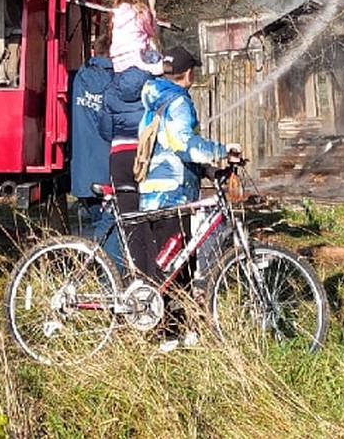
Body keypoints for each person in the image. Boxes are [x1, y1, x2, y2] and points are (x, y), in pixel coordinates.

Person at [138, 45, 240, 350]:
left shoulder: (156, 95)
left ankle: (177, 331)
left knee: (176, 264)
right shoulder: (178, 101)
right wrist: (222, 151)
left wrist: (208, 171)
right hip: (171, 194)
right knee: (174, 268)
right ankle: (167, 336)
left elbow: (168, 144)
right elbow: (183, 144)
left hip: (155, 192)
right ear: (190, 74)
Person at [101, 60, 156, 278]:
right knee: (151, 217)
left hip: (119, 156)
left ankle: (136, 278)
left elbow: (105, 130)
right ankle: (152, 278)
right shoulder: (151, 85)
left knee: (130, 220)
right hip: (144, 155)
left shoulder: (111, 90)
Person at [68, 37, 120, 265]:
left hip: (81, 171)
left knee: (99, 223)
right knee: (109, 228)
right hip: (108, 171)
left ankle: (104, 273)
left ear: (93, 51)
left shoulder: (78, 79)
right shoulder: (117, 84)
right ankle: (108, 281)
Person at [108, 0, 162, 74]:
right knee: (163, 65)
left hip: (117, 60)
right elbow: (152, 30)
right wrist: (152, 8)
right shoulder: (139, 12)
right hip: (136, 57)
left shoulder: (115, 13)